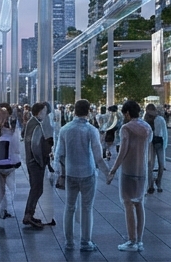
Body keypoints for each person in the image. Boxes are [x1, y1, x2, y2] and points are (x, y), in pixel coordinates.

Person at [53, 99, 104, 252]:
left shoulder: (65, 129)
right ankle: (85, 242)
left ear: (74, 111)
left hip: (70, 173)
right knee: (87, 208)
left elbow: (59, 154)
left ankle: (69, 242)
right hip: (88, 172)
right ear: (88, 111)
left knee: (69, 207)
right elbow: (98, 156)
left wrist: (60, 173)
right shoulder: (91, 130)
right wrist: (109, 173)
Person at [109, 100, 150, 251]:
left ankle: (131, 240)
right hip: (142, 171)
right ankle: (139, 240)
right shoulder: (147, 127)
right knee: (140, 204)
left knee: (128, 205)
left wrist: (113, 170)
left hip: (128, 171)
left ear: (127, 113)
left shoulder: (126, 128)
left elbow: (123, 151)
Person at [21, 102, 54, 229]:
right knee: (37, 188)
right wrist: (40, 160)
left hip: (32, 161)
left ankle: (30, 213)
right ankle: (28, 215)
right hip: (35, 162)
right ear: (39, 112)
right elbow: (34, 145)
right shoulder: (35, 124)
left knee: (37, 188)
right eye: (44, 111)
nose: (46, 114)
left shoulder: (32, 122)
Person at [0, 106, 22, 221]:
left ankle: (1, 210)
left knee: (0, 189)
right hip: (11, 162)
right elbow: (16, 145)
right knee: (11, 187)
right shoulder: (13, 128)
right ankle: (9, 208)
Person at [145, 103, 167, 194]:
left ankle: (159, 181)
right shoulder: (146, 120)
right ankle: (150, 185)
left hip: (159, 141)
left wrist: (165, 145)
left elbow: (165, 133)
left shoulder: (160, 119)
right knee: (150, 164)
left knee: (161, 165)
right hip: (150, 142)